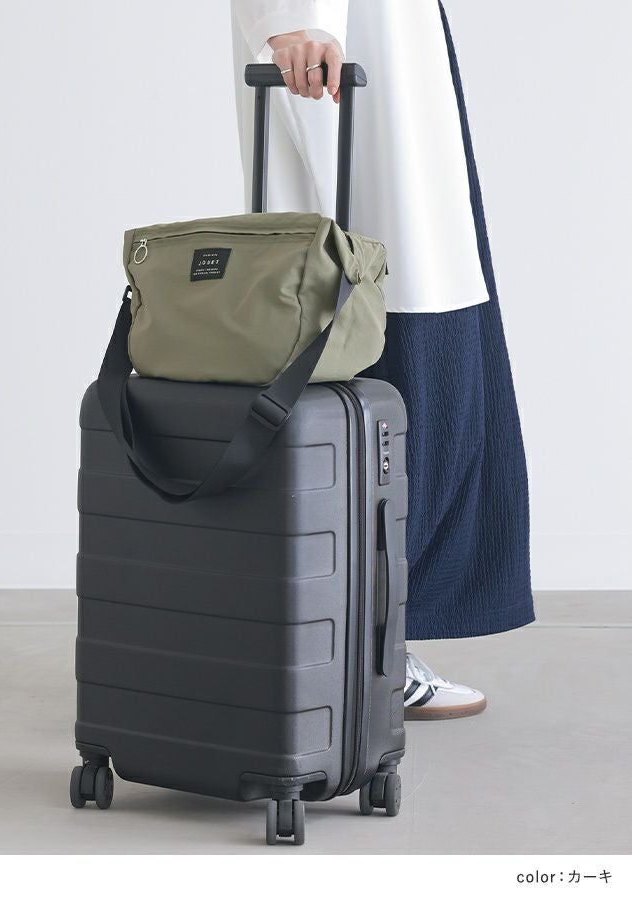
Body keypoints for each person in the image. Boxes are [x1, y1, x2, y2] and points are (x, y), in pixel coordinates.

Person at [230, 0, 534, 720]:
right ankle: (371, 654)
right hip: (353, 63)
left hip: (392, 54)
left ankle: (365, 643)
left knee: (430, 356)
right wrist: (296, 19)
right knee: (409, 366)